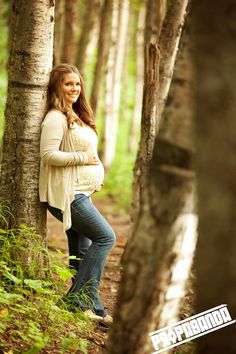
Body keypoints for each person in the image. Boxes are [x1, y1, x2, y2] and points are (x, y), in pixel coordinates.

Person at [39, 63, 116, 326]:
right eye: (68, 83)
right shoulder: (55, 118)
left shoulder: (74, 114)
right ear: (57, 87)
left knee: (82, 250)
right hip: (68, 195)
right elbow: (48, 155)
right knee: (106, 237)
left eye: (77, 83)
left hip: (82, 192)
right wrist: (83, 158)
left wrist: (93, 178)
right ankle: (76, 300)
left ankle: (90, 308)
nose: (74, 88)